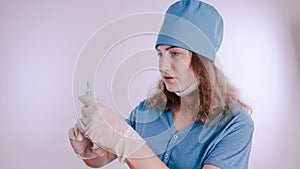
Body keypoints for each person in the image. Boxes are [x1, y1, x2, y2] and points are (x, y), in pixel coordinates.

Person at [69, 0, 254, 169]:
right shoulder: (147, 111)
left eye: (174, 53)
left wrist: (127, 141)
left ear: (202, 61)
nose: (163, 66)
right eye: (160, 54)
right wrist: (89, 151)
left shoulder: (235, 125)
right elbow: (105, 156)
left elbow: (125, 143)